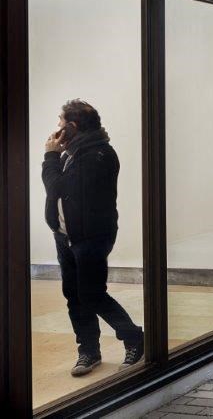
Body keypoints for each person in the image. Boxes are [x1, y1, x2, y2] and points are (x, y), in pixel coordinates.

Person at [42, 99, 144, 377]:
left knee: (92, 294)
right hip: (66, 236)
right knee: (74, 295)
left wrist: (49, 155)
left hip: (91, 237)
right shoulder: (73, 153)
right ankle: (88, 351)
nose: (57, 128)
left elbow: (57, 187)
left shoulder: (98, 155)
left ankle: (134, 338)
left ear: (72, 127)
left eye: (60, 123)